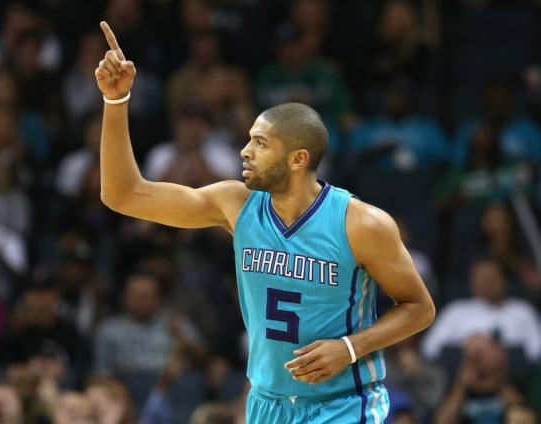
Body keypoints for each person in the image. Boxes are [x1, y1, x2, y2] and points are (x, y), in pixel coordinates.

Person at [95, 21, 435, 423]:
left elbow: (419, 308)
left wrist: (350, 348)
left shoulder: (361, 224)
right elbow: (122, 195)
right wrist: (116, 102)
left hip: (343, 404)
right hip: (267, 404)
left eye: (260, 143)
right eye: (248, 139)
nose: (244, 151)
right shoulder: (234, 203)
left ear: (298, 159)